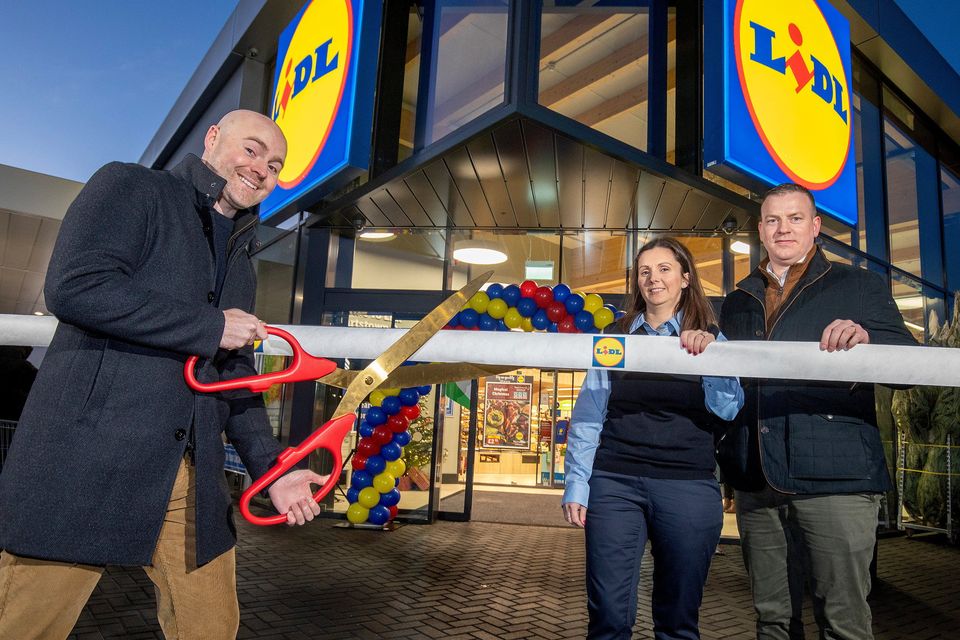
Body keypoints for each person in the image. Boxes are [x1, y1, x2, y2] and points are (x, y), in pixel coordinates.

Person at [0, 110, 326, 640]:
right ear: (213, 138)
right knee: (26, 625)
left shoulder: (240, 255)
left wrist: (275, 470)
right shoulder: (132, 185)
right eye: (252, 149)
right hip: (88, 461)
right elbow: (75, 285)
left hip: (190, 475)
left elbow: (234, 375)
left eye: (275, 164)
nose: (262, 168)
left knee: (212, 628)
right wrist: (208, 325)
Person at [717, 183, 918, 640]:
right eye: (772, 220)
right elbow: (731, 390)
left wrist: (868, 338)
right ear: (761, 230)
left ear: (816, 227)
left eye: (794, 218)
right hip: (757, 482)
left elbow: (908, 363)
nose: (783, 228)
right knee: (772, 620)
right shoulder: (738, 300)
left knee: (842, 620)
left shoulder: (858, 285)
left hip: (836, 480)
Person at [562, 237, 745, 640]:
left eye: (664, 269)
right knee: (608, 616)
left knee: (678, 620)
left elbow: (729, 409)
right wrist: (577, 484)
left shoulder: (712, 337)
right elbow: (590, 415)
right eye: (645, 271)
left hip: (687, 484)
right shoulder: (616, 336)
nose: (653, 278)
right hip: (614, 482)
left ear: (685, 278)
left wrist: (712, 359)